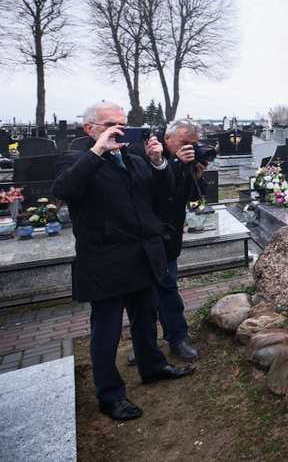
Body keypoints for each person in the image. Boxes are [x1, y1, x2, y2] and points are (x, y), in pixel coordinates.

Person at [52, 103, 196, 421]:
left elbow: (163, 194)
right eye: (109, 125)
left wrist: (159, 162)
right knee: (106, 332)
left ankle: (152, 367)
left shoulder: (135, 157)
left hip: (143, 255)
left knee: (146, 319)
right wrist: (98, 152)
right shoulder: (75, 160)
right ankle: (110, 395)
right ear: (90, 129)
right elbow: (63, 189)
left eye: (122, 123)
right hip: (106, 261)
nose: (118, 129)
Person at [127, 118, 207, 364]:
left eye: (194, 144)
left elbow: (190, 196)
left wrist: (196, 174)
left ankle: (178, 339)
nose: (189, 148)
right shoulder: (138, 153)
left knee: (168, 289)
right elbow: (152, 189)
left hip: (170, 236)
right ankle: (145, 344)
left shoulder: (186, 160)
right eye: (184, 142)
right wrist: (173, 162)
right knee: (141, 295)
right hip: (142, 236)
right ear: (167, 137)